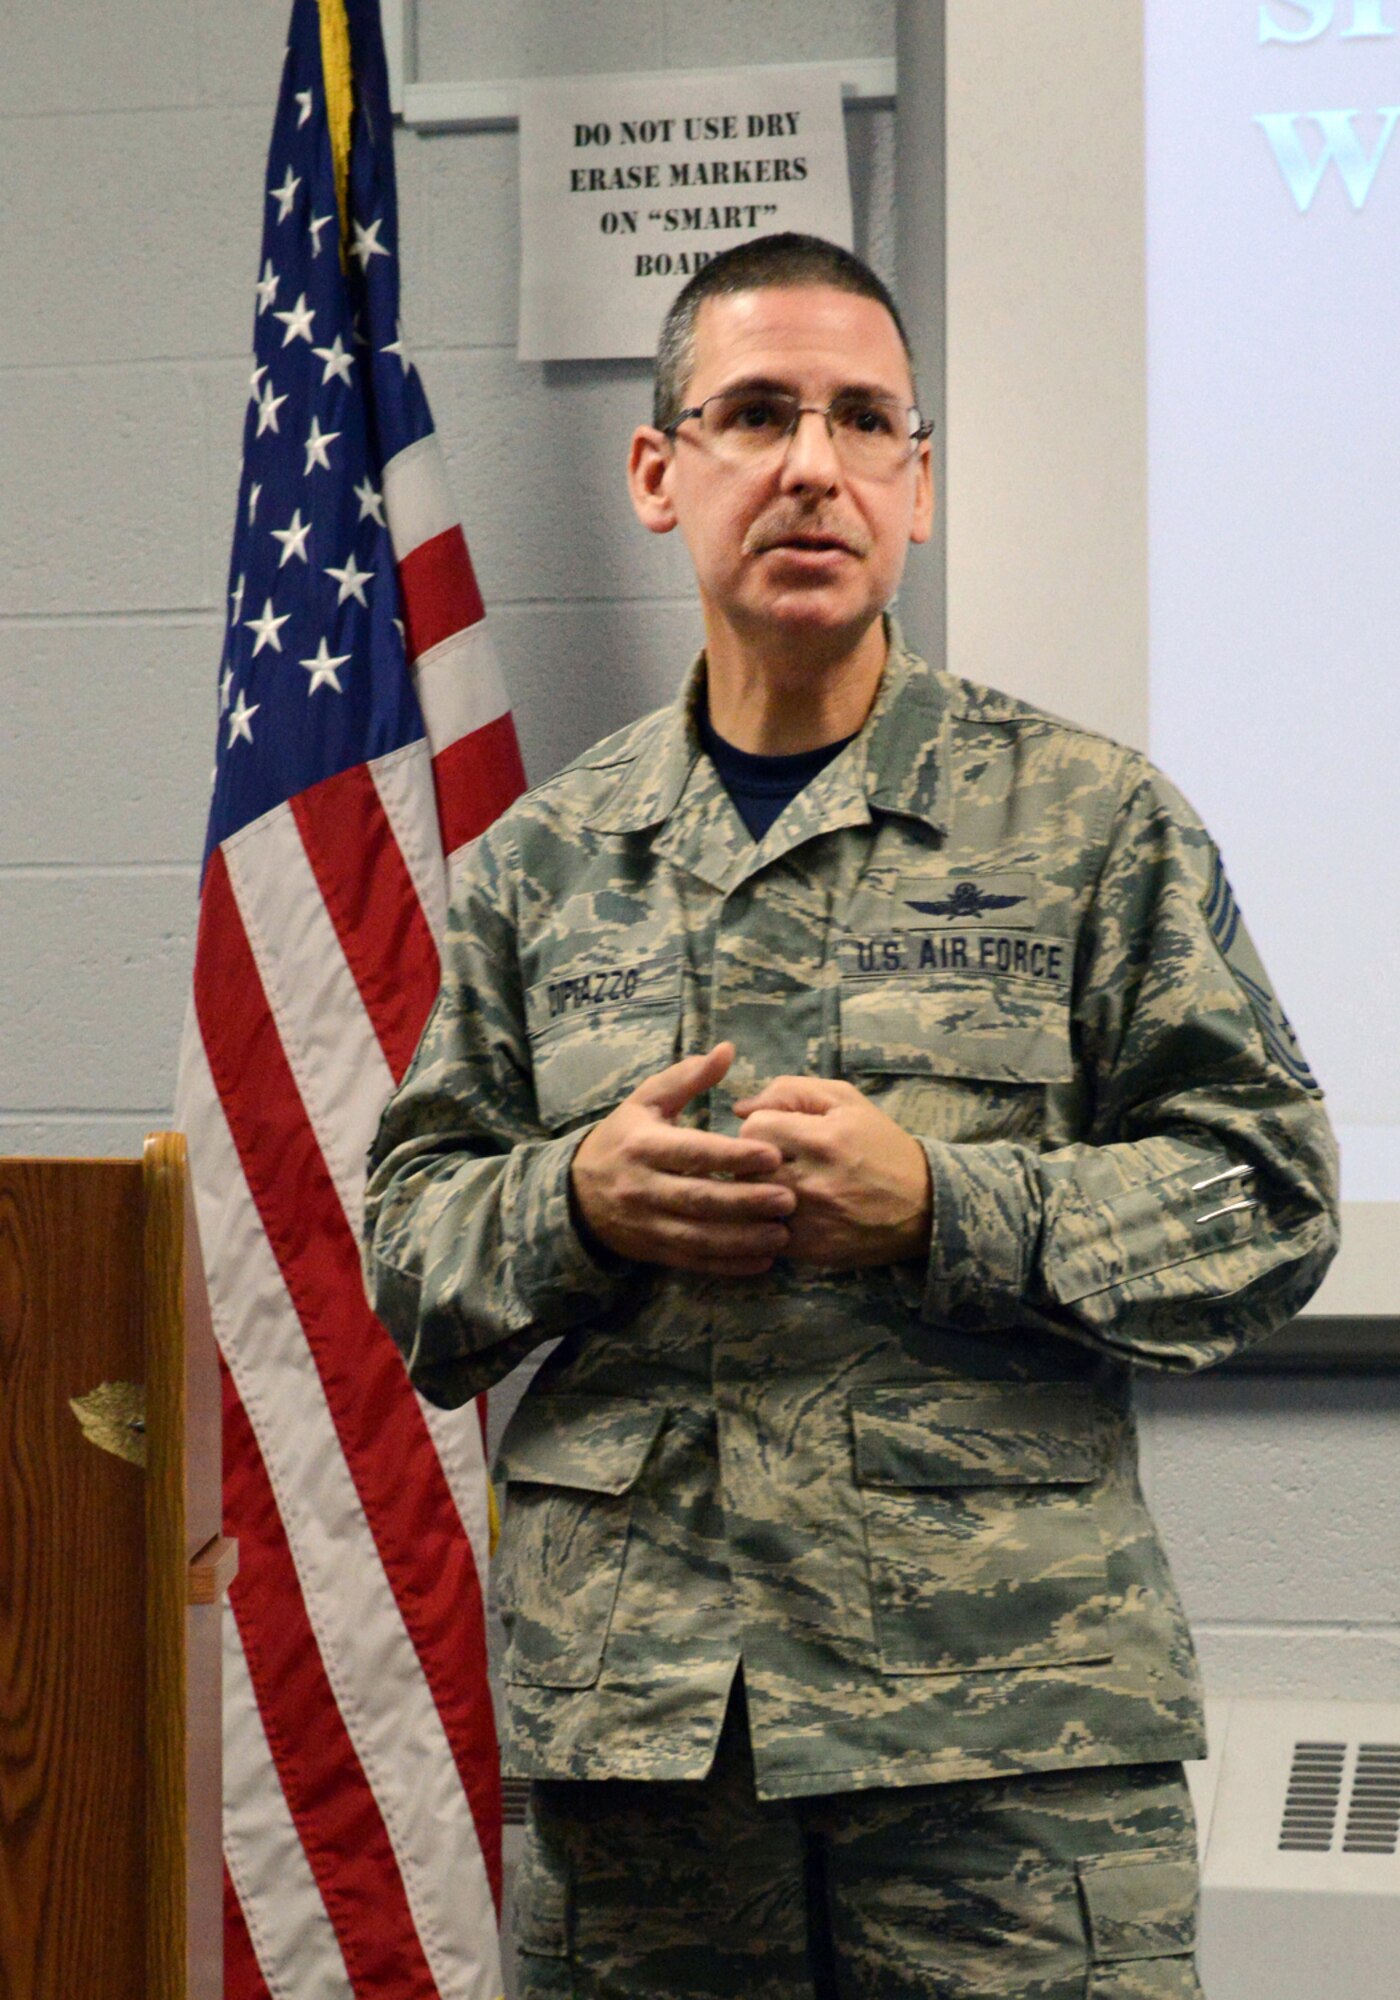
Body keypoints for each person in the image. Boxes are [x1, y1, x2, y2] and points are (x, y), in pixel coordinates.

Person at [364, 234, 1339, 1998]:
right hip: (649, 1775)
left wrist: (949, 1205)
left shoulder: (1092, 825)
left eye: (861, 420)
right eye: (753, 413)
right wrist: (574, 1201)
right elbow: (410, 1249)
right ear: (661, 474)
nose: (811, 463)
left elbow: (1267, 1196)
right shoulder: (537, 867)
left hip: (1011, 1759)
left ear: (919, 483)